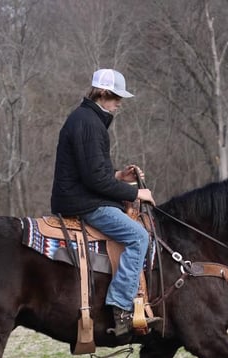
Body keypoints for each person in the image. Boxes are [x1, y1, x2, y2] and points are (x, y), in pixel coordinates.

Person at [51, 68, 157, 337]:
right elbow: (95, 182)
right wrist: (136, 194)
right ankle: (121, 308)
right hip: (83, 203)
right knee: (138, 236)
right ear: (102, 94)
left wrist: (120, 177)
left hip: (83, 195)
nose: (119, 103)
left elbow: (92, 173)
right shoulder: (89, 123)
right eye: (116, 97)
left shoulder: (87, 120)